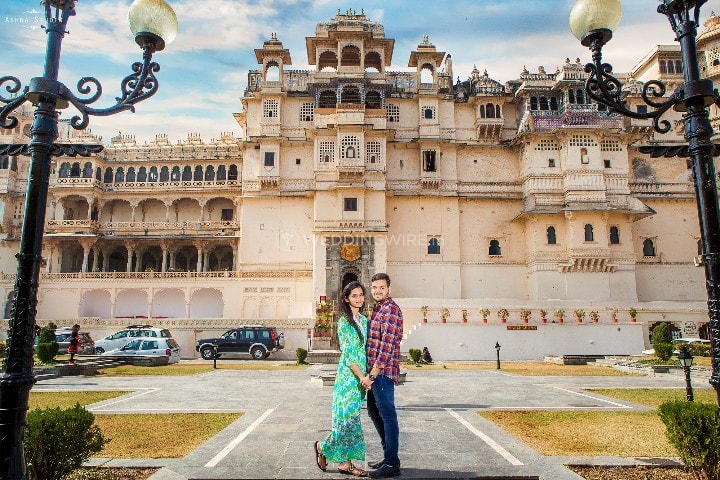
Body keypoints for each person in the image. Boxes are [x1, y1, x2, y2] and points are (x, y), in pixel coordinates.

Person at [315, 281, 369, 477]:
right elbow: (348, 354)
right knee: (347, 421)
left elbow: (365, 351)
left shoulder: (364, 321)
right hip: (349, 377)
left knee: (351, 421)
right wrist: (362, 376)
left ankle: (344, 462)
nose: (359, 298)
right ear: (346, 299)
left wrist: (369, 374)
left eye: (361, 294)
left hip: (361, 378)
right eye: (354, 295)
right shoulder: (344, 322)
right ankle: (324, 448)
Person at [361, 273, 403, 478]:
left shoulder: (391, 310)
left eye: (382, 288)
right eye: (375, 288)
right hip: (375, 373)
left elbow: (386, 348)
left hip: (383, 373)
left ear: (389, 289)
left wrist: (373, 375)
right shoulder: (378, 309)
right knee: (373, 412)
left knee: (388, 415)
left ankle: (392, 462)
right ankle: (389, 456)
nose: (378, 291)